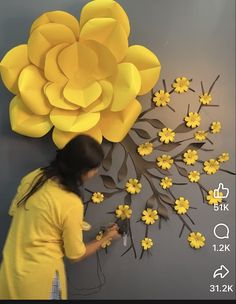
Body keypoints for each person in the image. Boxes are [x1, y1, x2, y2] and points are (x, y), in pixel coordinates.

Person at [0, 134, 121, 300]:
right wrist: (106, 238)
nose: (96, 172)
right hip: (39, 281)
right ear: (82, 171)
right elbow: (75, 255)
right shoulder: (71, 202)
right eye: (93, 168)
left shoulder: (34, 177)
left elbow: (18, 213)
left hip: (10, 272)